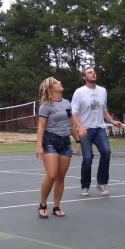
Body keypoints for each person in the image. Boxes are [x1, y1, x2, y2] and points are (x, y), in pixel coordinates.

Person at [36, 77, 86, 218]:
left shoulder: (66, 103)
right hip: (50, 141)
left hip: (65, 143)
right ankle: (42, 204)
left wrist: (78, 141)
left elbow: (71, 125)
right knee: (51, 175)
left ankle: (56, 206)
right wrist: (39, 146)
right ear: (50, 88)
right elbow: (40, 127)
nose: (60, 83)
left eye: (59, 81)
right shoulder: (45, 105)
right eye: (56, 82)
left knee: (60, 177)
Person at [71, 67, 123, 197]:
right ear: (84, 77)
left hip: (100, 128)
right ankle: (85, 186)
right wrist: (80, 127)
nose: (93, 73)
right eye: (89, 72)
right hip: (86, 130)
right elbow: (73, 113)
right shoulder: (79, 92)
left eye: (94, 72)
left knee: (106, 152)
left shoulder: (102, 91)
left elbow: (104, 111)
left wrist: (112, 121)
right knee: (88, 158)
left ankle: (101, 183)